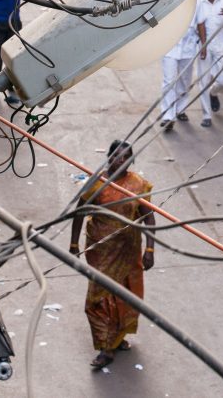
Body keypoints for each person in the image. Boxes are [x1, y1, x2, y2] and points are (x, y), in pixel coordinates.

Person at [69, 141, 155, 369]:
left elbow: (149, 218)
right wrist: (73, 243)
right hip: (101, 251)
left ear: (131, 160)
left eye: (126, 157)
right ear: (108, 158)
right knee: (98, 299)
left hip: (128, 252)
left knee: (124, 296)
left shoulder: (138, 185)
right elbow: (80, 212)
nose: (120, 160)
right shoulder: (97, 183)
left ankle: (115, 339)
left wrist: (150, 249)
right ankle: (106, 348)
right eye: (116, 156)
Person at [158, 22, 198, 131]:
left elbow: (201, 23)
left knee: (185, 81)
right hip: (169, 47)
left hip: (188, 47)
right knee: (169, 81)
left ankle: (180, 109)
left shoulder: (198, 4)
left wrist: (204, 45)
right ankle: (168, 117)